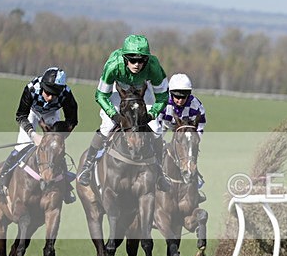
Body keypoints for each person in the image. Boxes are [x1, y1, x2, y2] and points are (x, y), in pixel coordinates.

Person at [76, 34, 170, 191]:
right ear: (125, 58)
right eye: (132, 60)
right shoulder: (113, 65)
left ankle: (160, 171)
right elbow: (101, 95)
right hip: (117, 91)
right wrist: (114, 115)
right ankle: (88, 165)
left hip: (142, 92)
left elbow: (163, 96)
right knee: (107, 126)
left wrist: (152, 113)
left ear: (147, 60)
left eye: (141, 60)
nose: (137, 64)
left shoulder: (154, 67)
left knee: (156, 128)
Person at [0, 67, 78, 203]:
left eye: (54, 95)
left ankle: (66, 186)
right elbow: (20, 115)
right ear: (42, 87)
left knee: (54, 149)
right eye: (47, 93)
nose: (49, 98)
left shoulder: (66, 94)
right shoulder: (31, 89)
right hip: (32, 113)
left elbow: (72, 121)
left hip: (51, 114)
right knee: (22, 147)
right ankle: (1, 181)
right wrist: (33, 135)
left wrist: (57, 133)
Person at [155, 73, 207, 202]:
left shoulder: (196, 105)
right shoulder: (163, 102)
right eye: (177, 97)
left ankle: (195, 185)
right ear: (171, 94)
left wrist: (194, 141)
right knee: (155, 150)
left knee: (188, 153)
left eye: (184, 97)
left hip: (186, 129)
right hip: (164, 126)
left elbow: (200, 126)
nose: (180, 100)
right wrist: (159, 142)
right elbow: (157, 124)